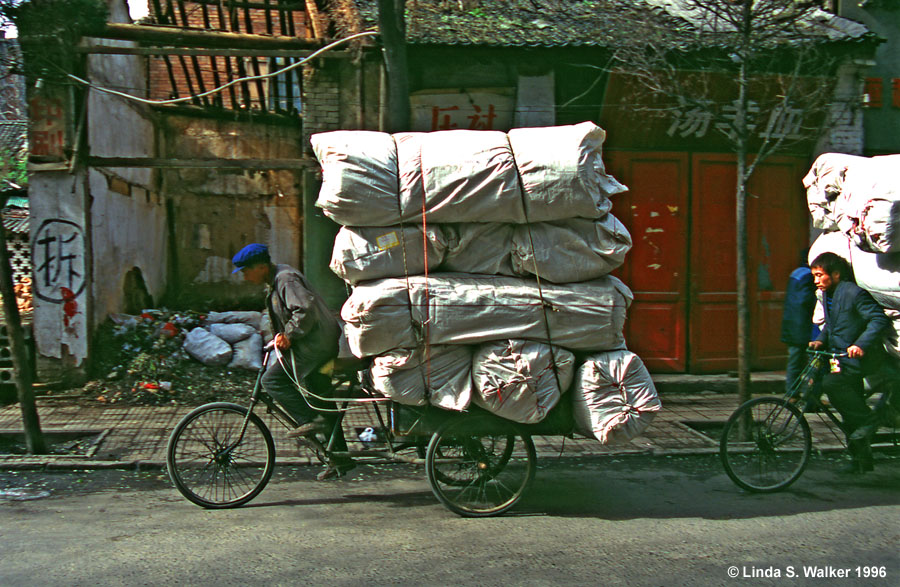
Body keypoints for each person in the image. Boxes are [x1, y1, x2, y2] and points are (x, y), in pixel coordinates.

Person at [232, 243, 355, 480]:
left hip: (316, 345)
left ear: (260, 266)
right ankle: (340, 458)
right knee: (323, 399)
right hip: (316, 343)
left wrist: (289, 335)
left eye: (246, 271)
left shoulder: (285, 279)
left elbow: (304, 310)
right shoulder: (276, 281)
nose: (245, 277)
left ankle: (309, 420)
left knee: (272, 380)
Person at [808, 252, 889, 474]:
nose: (816, 280)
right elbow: (832, 326)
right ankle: (860, 460)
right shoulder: (825, 294)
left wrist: (860, 344)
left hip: (860, 360)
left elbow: (877, 319)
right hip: (838, 358)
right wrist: (819, 340)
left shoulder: (854, 293)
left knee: (832, 385)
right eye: (814, 275)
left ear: (835, 274)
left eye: (819, 275)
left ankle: (869, 422)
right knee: (845, 408)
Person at [781, 250, 817, 393]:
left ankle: (792, 393)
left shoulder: (796, 273)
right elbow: (805, 301)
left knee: (794, 362)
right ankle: (808, 397)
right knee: (812, 364)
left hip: (791, 324)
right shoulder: (809, 276)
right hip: (804, 327)